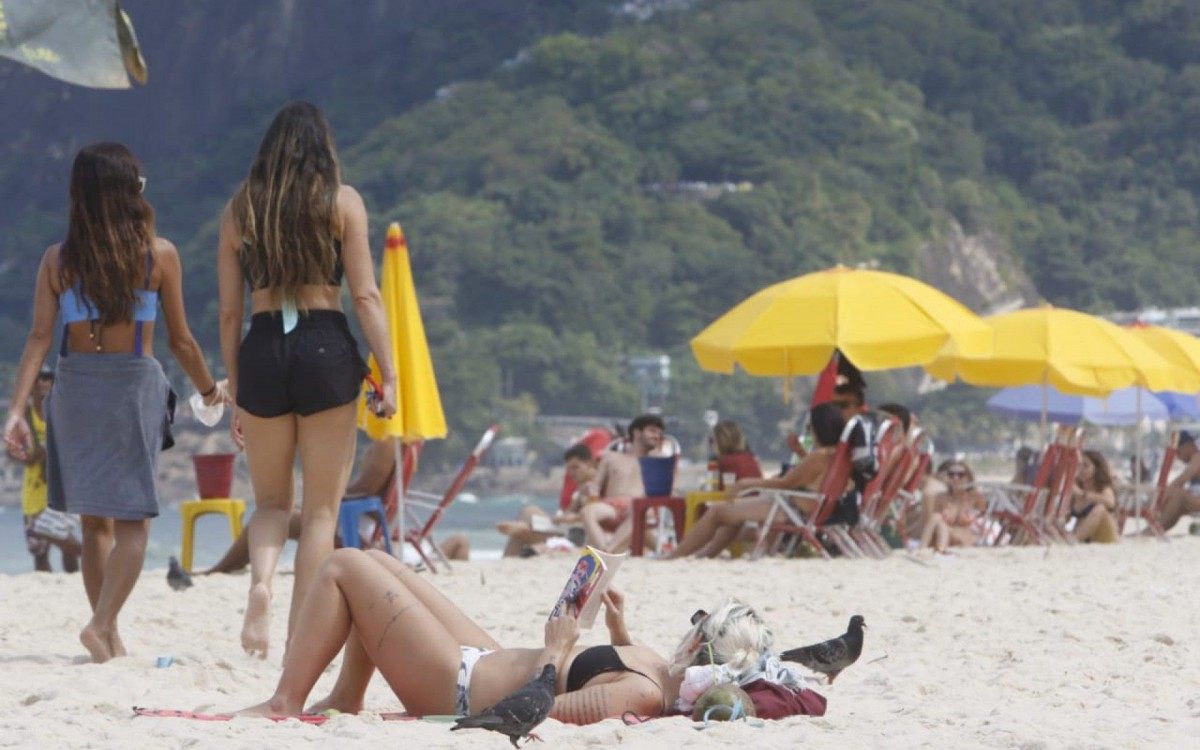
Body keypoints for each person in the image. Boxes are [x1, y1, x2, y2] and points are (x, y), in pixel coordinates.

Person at [3, 143, 225, 662]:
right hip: (130, 388)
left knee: (94, 523)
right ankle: (101, 624)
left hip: (75, 389)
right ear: (130, 193)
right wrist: (210, 391)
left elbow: (39, 338)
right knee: (135, 524)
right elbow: (182, 341)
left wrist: (15, 411)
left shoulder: (58, 260)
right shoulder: (158, 255)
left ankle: (108, 640)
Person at [217, 101, 398, 658]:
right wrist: (389, 374)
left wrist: (237, 389)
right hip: (325, 346)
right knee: (321, 510)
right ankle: (299, 633)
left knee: (272, 503)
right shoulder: (342, 202)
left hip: (263, 347)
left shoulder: (241, 209)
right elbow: (365, 295)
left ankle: (262, 585)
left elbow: (229, 312)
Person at [236, 548, 675, 722]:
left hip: (461, 690)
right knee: (377, 561)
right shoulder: (659, 669)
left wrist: (556, 648)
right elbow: (598, 673)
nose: (691, 632)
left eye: (700, 628)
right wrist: (619, 631)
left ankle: (284, 703)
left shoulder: (643, 694)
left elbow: (539, 713)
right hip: (486, 659)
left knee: (343, 565)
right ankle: (347, 696)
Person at [201, 438, 468, 575]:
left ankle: (220, 569)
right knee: (279, 517)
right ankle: (226, 568)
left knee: (267, 521)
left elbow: (367, 488)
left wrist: (326, 495)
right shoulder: (401, 439)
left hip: (354, 524)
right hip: (362, 521)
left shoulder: (387, 441)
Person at [668, 403, 845, 559]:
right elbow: (811, 475)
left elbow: (784, 483)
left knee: (717, 511)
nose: (809, 432)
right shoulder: (837, 455)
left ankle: (675, 556)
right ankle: (704, 556)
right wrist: (800, 452)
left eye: (809, 427)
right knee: (731, 515)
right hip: (803, 508)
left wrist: (744, 484)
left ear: (818, 429)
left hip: (789, 509)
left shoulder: (820, 455)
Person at [9, 368, 81, 573]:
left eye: (47, 377)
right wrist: (27, 456)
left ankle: (81, 574)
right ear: (29, 385)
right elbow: (11, 451)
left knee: (65, 542)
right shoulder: (24, 416)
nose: (41, 382)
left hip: (62, 489)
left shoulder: (62, 413)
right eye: (36, 378)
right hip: (34, 492)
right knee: (39, 551)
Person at [578, 414, 670, 553]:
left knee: (638, 510)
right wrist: (589, 489)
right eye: (652, 431)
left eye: (659, 433)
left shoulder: (657, 461)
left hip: (640, 507)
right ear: (637, 432)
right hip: (611, 506)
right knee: (587, 512)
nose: (657, 436)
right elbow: (595, 485)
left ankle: (607, 552)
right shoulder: (611, 457)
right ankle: (605, 549)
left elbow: (667, 490)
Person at [495, 443, 594, 558]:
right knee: (529, 511)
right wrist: (561, 518)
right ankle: (521, 529)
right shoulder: (583, 486)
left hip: (576, 536)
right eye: (569, 469)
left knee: (521, 530)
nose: (572, 473)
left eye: (575, 467)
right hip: (568, 529)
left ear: (589, 464)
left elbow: (594, 515)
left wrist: (570, 518)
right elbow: (570, 512)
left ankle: (519, 534)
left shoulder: (594, 486)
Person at [919, 460, 987, 552]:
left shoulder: (975, 497)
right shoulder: (941, 497)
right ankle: (928, 548)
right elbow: (933, 523)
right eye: (951, 475)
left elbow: (983, 520)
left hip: (965, 538)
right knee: (937, 518)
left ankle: (923, 548)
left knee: (938, 519)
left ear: (968, 478)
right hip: (944, 536)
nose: (955, 478)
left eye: (960, 475)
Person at [1067, 450, 1119, 543]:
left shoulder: (1102, 487)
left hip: (1105, 536)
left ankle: (1074, 539)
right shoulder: (1076, 487)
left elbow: (1110, 502)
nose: (1081, 469)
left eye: (1086, 466)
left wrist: (1083, 494)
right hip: (1085, 535)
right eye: (1079, 465)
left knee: (1100, 508)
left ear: (1096, 469)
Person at [1155, 431, 1200, 533]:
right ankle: (1154, 529)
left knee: (1178, 495)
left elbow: (1179, 482)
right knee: (1177, 498)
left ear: (1188, 445)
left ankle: (1154, 530)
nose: (1177, 457)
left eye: (1178, 452)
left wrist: (1157, 500)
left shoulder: (1198, 458)